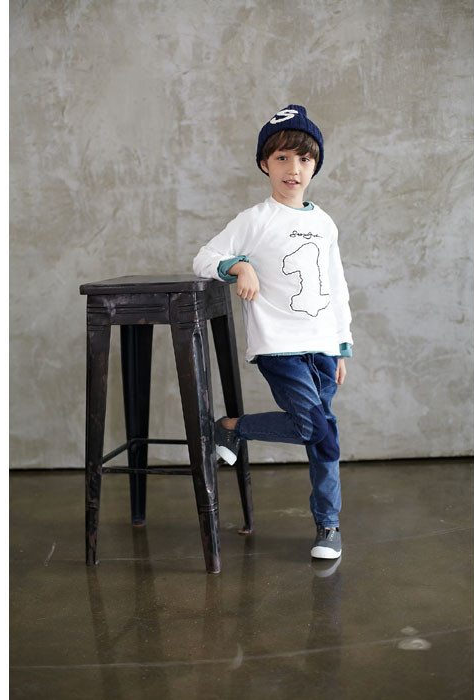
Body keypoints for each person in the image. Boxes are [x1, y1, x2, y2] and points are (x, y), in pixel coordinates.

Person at [192, 105, 353, 560]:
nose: (293, 169)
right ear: (265, 163)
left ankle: (328, 524)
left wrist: (342, 345)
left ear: (315, 165)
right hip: (279, 347)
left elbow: (337, 286)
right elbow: (204, 258)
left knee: (323, 436)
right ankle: (232, 428)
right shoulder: (255, 219)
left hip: (323, 346)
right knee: (316, 428)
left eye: (303, 159)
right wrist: (239, 266)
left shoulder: (324, 223)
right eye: (282, 158)